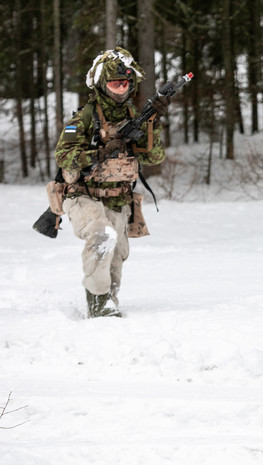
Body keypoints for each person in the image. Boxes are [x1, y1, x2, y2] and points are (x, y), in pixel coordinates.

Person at [54, 47, 168, 318]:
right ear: (102, 85)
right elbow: (63, 156)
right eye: (115, 83)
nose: (121, 89)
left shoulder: (134, 117)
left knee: (116, 255)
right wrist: (99, 152)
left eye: (126, 83)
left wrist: (153, 124)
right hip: (83, 195)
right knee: (100, 236)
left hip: (118, 197)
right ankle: (99, 304)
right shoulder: (84, 117)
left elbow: (153, 157)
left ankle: (109, 300)